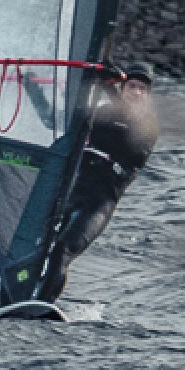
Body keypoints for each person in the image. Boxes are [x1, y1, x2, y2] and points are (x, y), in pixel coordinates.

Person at [28, 63, 156, 305]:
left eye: (142, 89)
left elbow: (131, 145)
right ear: (124, 87)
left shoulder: (147, 125)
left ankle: (42, 306)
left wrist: (104, 85)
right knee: (37, 247)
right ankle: (22, 297)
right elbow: (51, 119)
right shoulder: (102, 113)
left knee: (61, 252)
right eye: (132, 86)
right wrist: (32, 88)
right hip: (71, 192)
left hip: (98, 204)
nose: (136, 93)